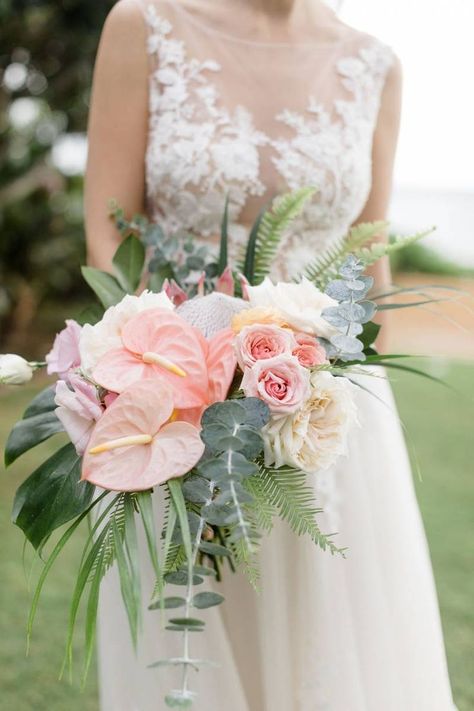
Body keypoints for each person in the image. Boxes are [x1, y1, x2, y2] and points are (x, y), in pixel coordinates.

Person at [85, 1, 456, 709]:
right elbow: (109, 240)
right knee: (192, 637)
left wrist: (340, 381)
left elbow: (367, 266)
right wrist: (174, 373)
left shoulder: (375, 64)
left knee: (334, 641)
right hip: (177, 404)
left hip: (324, 410)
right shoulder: (143, 24)